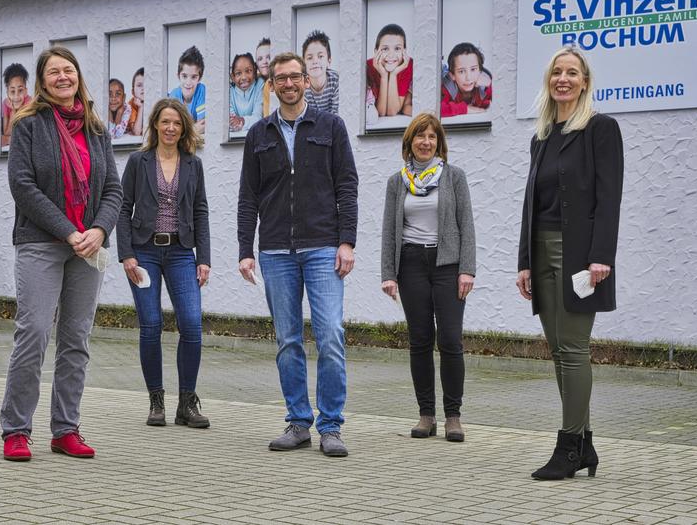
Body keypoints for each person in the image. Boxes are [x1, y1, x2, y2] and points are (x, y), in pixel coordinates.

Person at [0, 45, 122, 461]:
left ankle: (65, 429)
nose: (62, 77)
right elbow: (23, 186)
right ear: (43, 81)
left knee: (76, 339)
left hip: (89, 247)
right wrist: (70, 231)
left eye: (67, 70)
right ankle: (16, 430)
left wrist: (100, 229)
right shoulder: (29, 125)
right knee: (33, 333)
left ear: (77, 77)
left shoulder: (97, 129)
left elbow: (113, 190)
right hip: (40, 244)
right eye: (53, 72)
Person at [237, 52, 358, 458]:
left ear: (306, 80)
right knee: (288, 340)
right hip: (275, 250)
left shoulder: (331, 126)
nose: (288, 84)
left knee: (330, 337)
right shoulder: (258, 134)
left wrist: (347, 241)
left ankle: (331, 426)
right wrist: (244, 250)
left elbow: (347, 186)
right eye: (280, 79)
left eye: (295, 77)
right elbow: (247, 197)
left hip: (324, 247)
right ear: (271, 85)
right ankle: (297, 422)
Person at [517, 47, 624, 480]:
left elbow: (608, 198)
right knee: (559, 354)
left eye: (572, 73)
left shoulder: (601, 129)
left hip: (578, 254)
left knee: (574, 350)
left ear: (584, 81)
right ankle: (585, 445)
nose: (563, 79)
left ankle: (568, 447)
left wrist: (601, 256)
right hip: (541, 250)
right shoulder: (540, 137)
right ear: (549, 80)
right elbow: (532, 204)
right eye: (557, 72)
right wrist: (525, 261)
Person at [380, 112, 475, 442]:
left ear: (439, 143)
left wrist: (467, 269)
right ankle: (426, 415)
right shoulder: (397, 181)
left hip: (448, 265)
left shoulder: (454, 177)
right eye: (420, 136)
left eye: (432, 137)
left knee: (450, 340)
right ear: (410, 142)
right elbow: (390, 230)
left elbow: (467, 226)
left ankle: (453, 416)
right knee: (419, 341)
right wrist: (388, 274)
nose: (426, 142)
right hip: (411, 265)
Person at [116, 98, 211, 429]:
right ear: (155, 124)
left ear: (183, 127)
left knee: (192, 325)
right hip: (144, 252)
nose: (171, 128)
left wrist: (205, 259)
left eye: (177, 123)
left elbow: (201, 210)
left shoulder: (192, 164)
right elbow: (123, 207)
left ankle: (187, 403)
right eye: (165, 122)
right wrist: (126, 254)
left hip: (182, 253)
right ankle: (156, 400)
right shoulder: (137, 161)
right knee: (151, 325)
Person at [366, 24, 412, 118]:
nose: (391, 55)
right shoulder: (368, 67)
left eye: (397, 48)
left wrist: (394, 74)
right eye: (385, 49)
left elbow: (392, 111)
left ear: (404, 51)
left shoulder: (408, 65)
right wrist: (384, 76)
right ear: (376, 52)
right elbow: (381, 112)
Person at [441, 43, 492, 117]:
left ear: (480, 71)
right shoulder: (447, 87)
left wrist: (490, 85)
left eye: (473, 69)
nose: (468, 77)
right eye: (461, 71)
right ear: (452, 75)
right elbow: (436, 108)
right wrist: (465, 109)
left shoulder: (485, 86)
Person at [168, 46, 206, 135]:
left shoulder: (201, 90)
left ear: (199, 78)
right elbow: (172, 129)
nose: (188, 83)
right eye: (184, 76)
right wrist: (192, 130)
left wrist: (183, 132)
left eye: (193, 77)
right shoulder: (173, 96)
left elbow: (203, 125)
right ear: (178, 76)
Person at [302, 30, 339, 115]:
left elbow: (336, 116)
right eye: (310, 58)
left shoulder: (336, 81)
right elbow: (303, 117)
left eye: (320, 56)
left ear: (329, 61)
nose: (315, 61)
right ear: (303, 63)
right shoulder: (302, 85)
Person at [228, 53, 264, 133]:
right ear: (232, 77)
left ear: (254, 72)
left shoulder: (260, 85)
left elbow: (258, 118)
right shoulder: (228, 92)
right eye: (238, 73)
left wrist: (242, 120)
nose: (244, 77)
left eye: (248, 71)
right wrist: (236, 122)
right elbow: (232, 122)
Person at [1, 63, 31, 147]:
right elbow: (7, 132)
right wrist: (13, 111)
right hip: (14, 139)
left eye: (20, 90)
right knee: (0, 139)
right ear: (7, 92)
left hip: (26, 139)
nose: (16, 96)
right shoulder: (5, 104)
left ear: (25, 91)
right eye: (12, 91)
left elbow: (26, 130)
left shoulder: (29, 102)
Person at [255, 37, 277, 117]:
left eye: (268, 57)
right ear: (256, 64)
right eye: (260, 59)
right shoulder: (255, 83)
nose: (264, 62)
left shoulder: (274, 83)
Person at [127, 67, 145, 136]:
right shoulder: (130, 106)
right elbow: (137, 132)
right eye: (139, 85)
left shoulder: (154, 102)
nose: (143, 88)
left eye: (147, 84)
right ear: (133, 92)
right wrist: (141, 108)